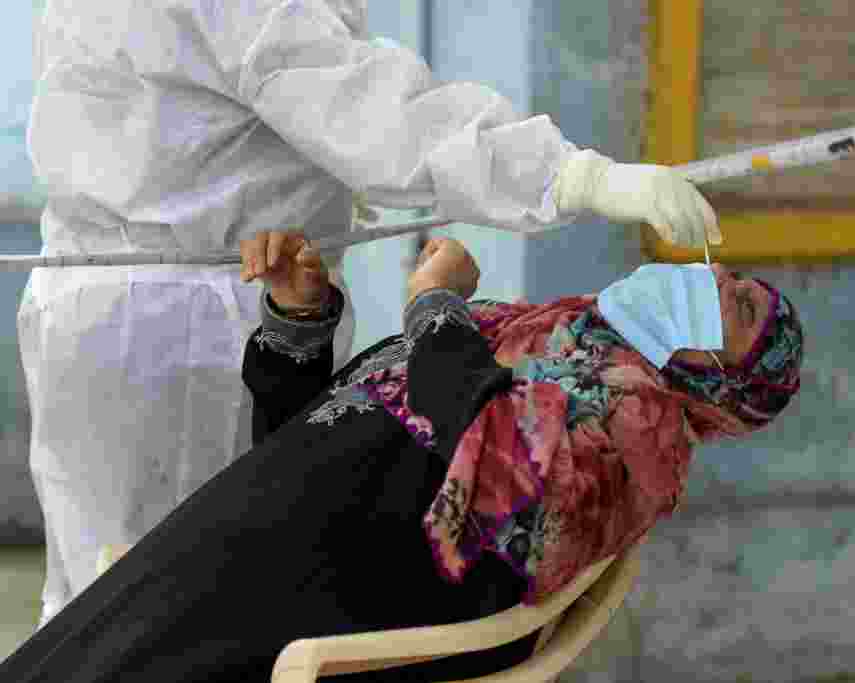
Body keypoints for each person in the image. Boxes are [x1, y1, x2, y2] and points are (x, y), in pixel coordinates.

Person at [20, 0, 722, 626]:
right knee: (159, 613)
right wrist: (564, 175)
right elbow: (362, 104)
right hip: (181, 331)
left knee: (107, 597)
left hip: (116, 301)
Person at [1, 236, 804, 682]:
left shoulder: (639, 427)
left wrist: (433, 304)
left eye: (731, 302)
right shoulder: (550, 336)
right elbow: (323, 434)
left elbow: (493, 474)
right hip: (235, 559)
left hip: (296, 611)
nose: (708, 277)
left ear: (725, 381)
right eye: (722, 272)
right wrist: (299, 324)